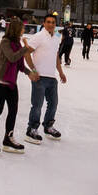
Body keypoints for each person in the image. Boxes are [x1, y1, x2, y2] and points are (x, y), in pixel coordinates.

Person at [0, 19, 34, 156]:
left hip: (11, 83)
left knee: (13, 110)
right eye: (22, 28)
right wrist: (25, 48)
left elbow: (19, 64)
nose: (23, 30)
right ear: (16, 29)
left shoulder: (17, 43)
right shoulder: (5, 42)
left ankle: (8, 138)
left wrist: (30, 73)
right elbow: (12, 57)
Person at [24, 13, 67, 144]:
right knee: (37, 105)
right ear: (44, 23)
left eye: (53, 22)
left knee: (53, 104)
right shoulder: (39, 36)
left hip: (52, 77)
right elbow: (26, 53)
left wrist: (60, 72)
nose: (51, 24)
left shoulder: (56, 38)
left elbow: (56, 57)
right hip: (39, 77)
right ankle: (31, 129)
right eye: (48, 22)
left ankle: (48, 126)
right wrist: (33, 70)